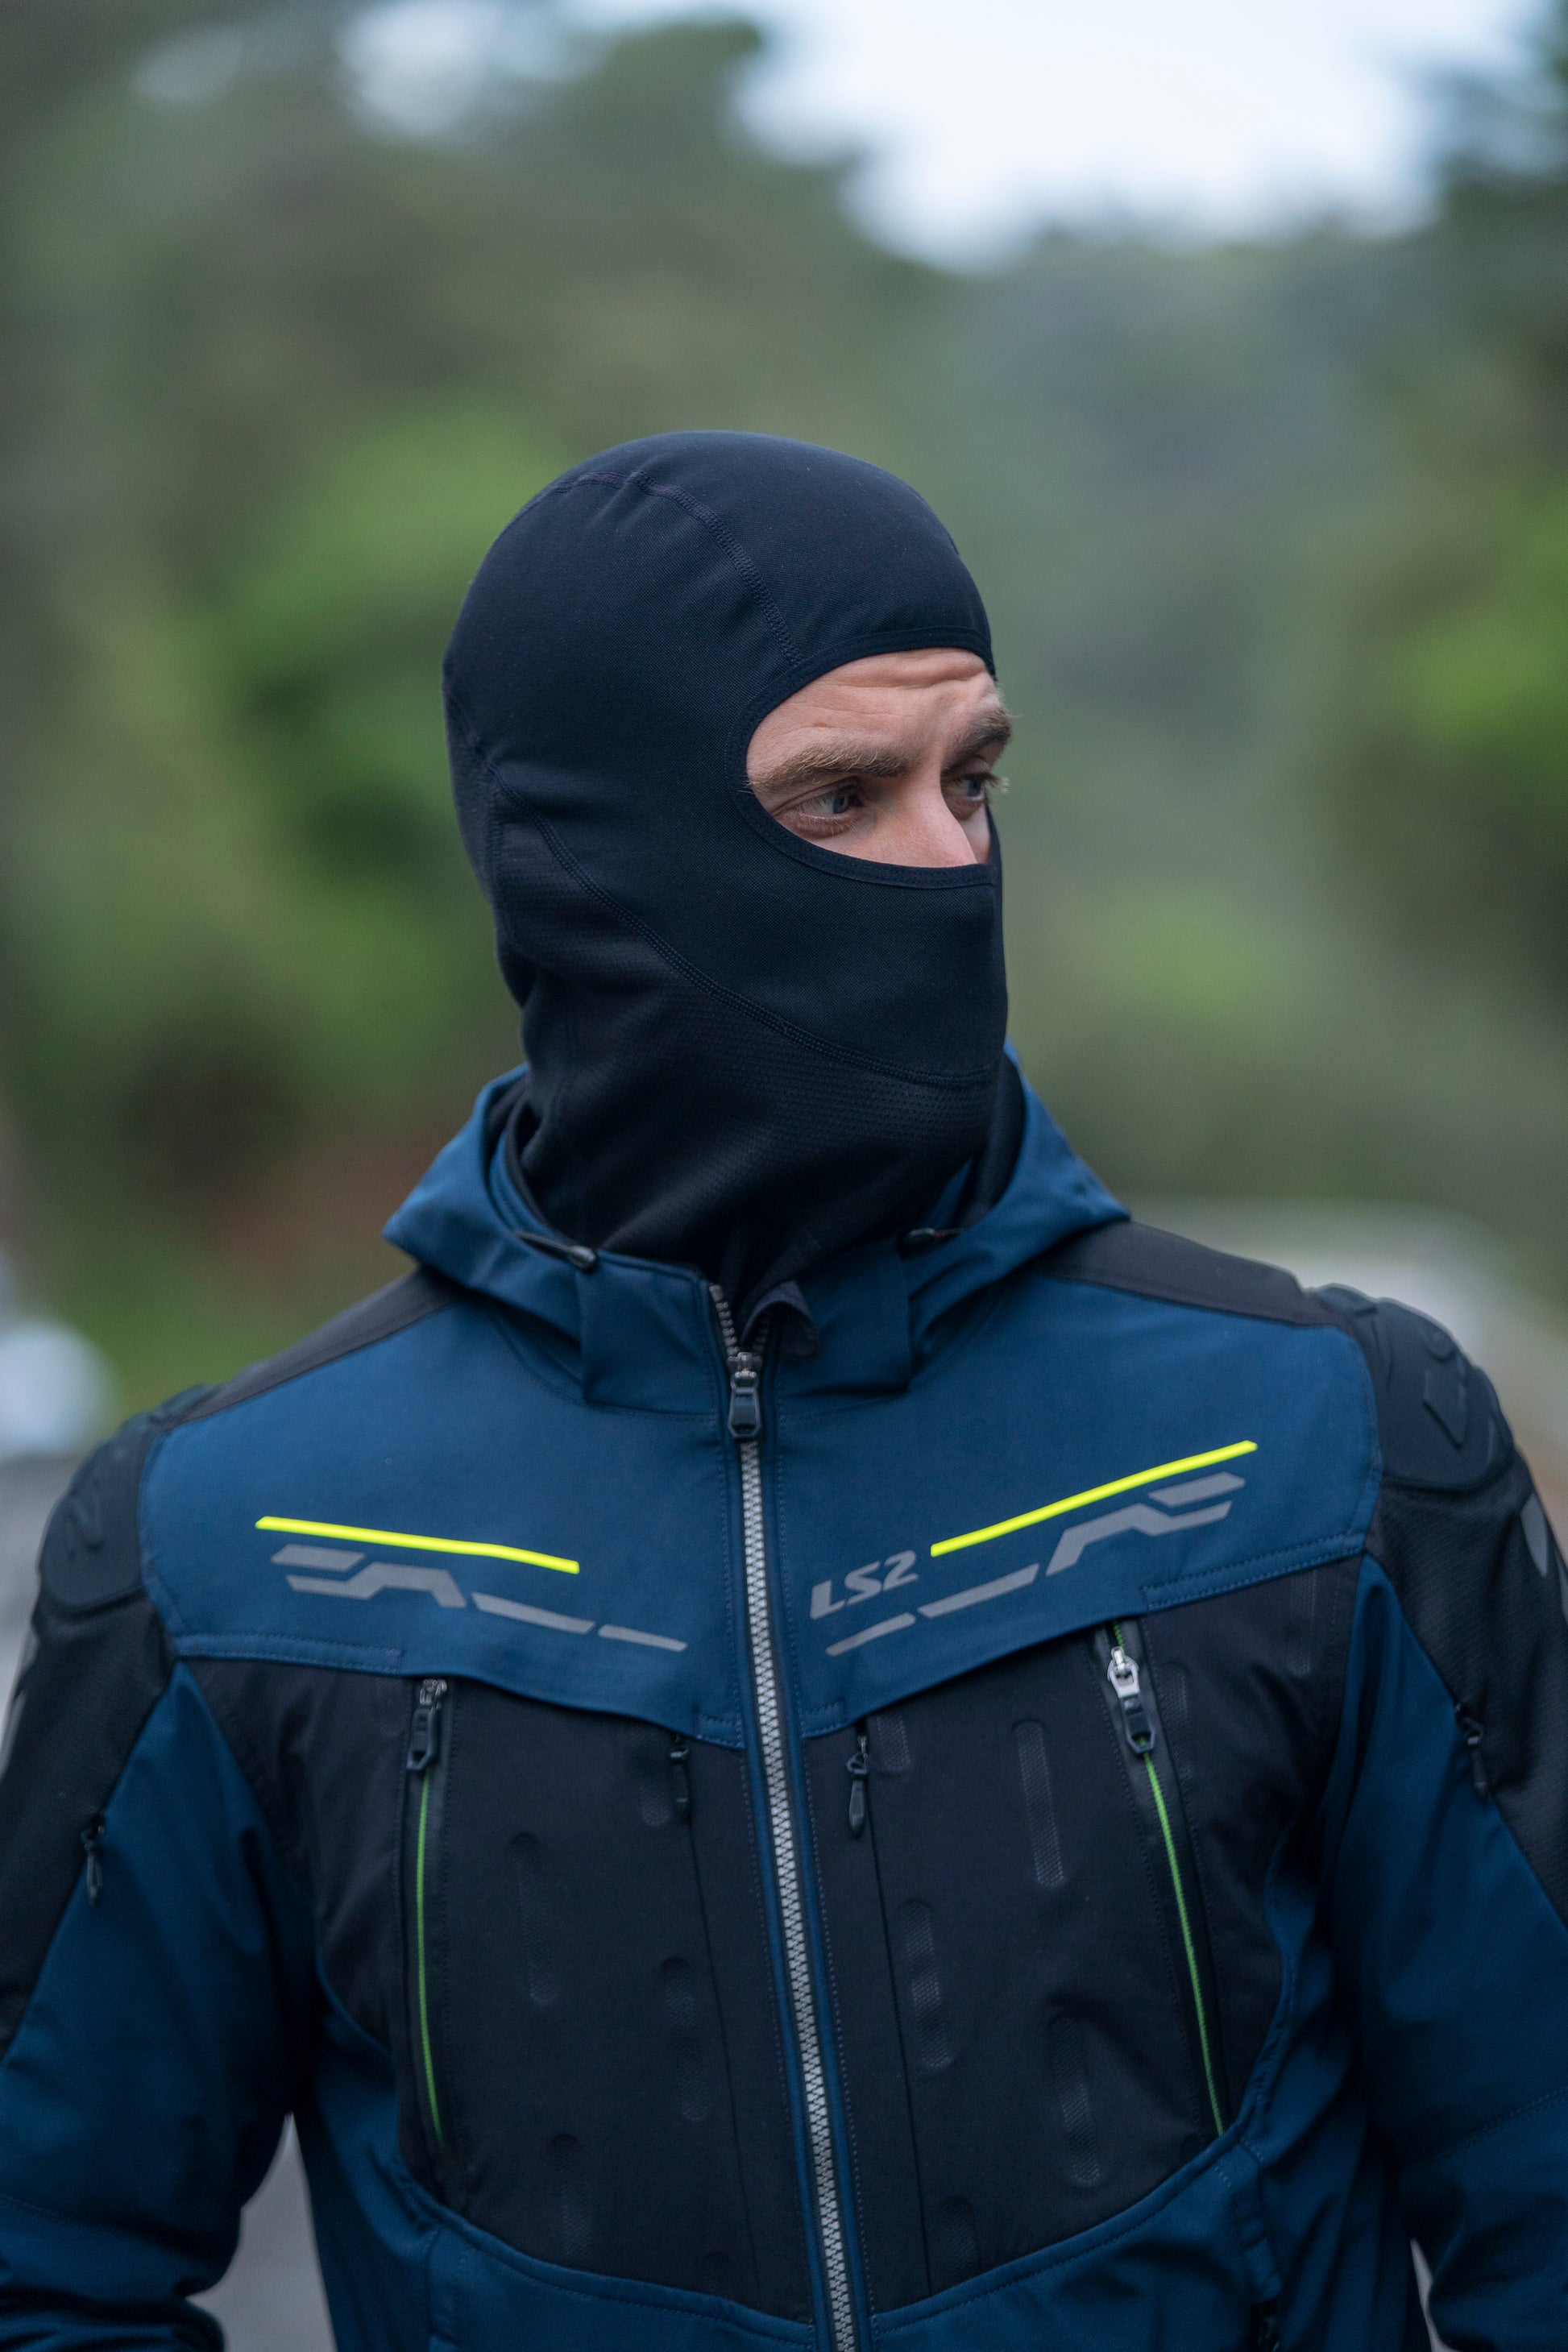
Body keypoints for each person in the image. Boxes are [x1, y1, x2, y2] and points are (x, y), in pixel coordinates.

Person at [0, 431, 1564, 2352]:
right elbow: (44, 2267)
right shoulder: (227, 1542)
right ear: (583, 858)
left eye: (971, 778)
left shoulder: (1332, 1443)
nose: (950, 864)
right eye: (841, 794)